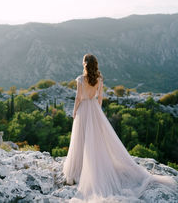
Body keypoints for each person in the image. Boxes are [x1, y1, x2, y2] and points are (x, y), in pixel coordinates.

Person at [62, 53, 177, 202]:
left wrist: (74, 111)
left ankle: (80, 169)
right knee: (95, 140)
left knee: (81, 139)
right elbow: (100, 97)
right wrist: (98, 112)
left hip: (84, 109)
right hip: (95, 109)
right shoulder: (99, 79)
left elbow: (78, 98)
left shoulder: (80, 79)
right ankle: (92, 167)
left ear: (84, 64)